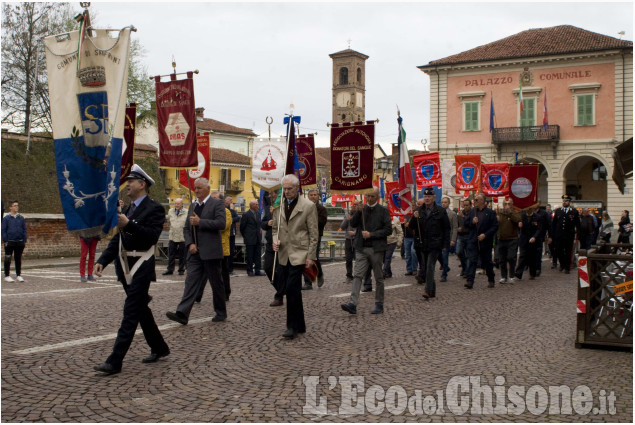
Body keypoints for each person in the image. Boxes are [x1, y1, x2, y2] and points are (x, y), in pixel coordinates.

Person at [93, 165, 170, 375]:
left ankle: (114, 361)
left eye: (131, 181)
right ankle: (159, 347)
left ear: (142, 184)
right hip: (125, 268)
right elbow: (119, 239)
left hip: (142, 267)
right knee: (141, 311)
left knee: (130, 312)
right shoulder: (127, 209)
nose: (127, 185)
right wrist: (103, 260)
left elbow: (151, 237)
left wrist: (130, 224)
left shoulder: (154, 208)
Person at [165, 177, 227, 325]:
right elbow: (187, 228)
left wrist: (201, 222)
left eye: (199, 188)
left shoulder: (217, 203)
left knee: (216, 283)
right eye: (195, 188)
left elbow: (221, 224)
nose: (196, 191)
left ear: (207, 188)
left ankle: (221, 311)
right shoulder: (193, 206)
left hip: (211, 252)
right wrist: (190, 243)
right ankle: (182, 313)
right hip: (194, 253)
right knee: (190, 282)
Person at [272, 174, 318, 339]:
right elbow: (275, 229)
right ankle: (300, 324)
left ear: (297, 188)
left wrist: (311, 257)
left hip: (300, 252)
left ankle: (291, 327)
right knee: (294, 291)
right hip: (284, 252)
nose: (286, 192)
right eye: (284, 189)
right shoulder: (278, 206)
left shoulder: (308, 206)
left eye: (289, 189)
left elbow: (314, 233)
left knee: (291, 288)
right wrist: (274, 241)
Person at [341, 187, 391, 314]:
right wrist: (358, 211)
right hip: (361, 248)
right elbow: (352, 223)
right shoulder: (362, 209)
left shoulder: (383, 211)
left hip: (376, 248)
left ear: (377, 197)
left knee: (378, 276)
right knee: (357, 275)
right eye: (367, 196)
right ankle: (353, 303)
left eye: (372, 196)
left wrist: (372, 234)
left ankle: (379, 303)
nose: (369, 199)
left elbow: (388, 230)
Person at [408, 187, 450, 298]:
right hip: (422, 244)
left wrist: (445, 244)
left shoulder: (440, 211)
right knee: (425, 267)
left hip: (435, 243)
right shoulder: (419, 210)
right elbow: (411, 227)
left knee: (430, 266)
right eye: (425, 196)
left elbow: (446, 229)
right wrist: (414, 217)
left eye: (429, 196)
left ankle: (427, 290)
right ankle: (432, 291)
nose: (427, 198)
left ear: (434, 198)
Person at [195, 192, 233, 302]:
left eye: (215, 198)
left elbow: (223, 226)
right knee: (204, 273)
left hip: (221, 247)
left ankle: (226, 293)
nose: (212, 200)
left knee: (222, 273)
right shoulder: (207, 211)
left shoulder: (226, 212)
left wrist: (205, 223)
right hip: (208, 245)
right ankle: (198, 295)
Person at [463, 194, 498, 289]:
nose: (474, 201)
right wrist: (472, 222)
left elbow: (495, 227)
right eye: (474, 200)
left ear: (482, 201)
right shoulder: (472, 212)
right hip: (473, 240)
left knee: (487, 261)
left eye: (477, 199)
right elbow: (465, 224)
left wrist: (485, 235)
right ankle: (470, 281)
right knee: (472, 260)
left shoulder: (490, 213)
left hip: (485, 241)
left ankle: (491, 279)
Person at [303, 188, 328, 289]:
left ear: (318, 196)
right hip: (304, 236)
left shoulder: (322, 209)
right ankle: (307, 282)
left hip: (316, 236)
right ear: (308, 196)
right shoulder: (303, 208)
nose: (313, 196)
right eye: (311, 195)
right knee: (304, 258)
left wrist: (311, 219)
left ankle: (319, 274)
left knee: (314, 257)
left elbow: (322, 223)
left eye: (315, 195)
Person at [263, 191, 284, 306]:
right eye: (270, 194)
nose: (271, 196)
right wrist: (267, 223)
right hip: (270, 242)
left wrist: (276, 215)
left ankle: (279, 295)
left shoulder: (284, 206)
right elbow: (262, 223)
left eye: (274, 193)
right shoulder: (267, 208)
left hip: (282, 242)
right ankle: (282, 289)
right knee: (267, 267)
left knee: (281, 270)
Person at [549, 195, 580, 274]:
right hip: (559, 235)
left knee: (568, 251)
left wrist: (578, 235)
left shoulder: (574, 211)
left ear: (569, 202)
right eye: (563, 201)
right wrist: (551, 235)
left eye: (566, 201)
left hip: (569, 235)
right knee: (559, 250)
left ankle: (567, 267)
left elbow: (578, 224)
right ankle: (562, 264)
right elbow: (554, 224)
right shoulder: (558, 211)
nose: (564, 202)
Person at [515, 206, 544, 280]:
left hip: (533, 239)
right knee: (522, 256)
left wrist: (534, 237)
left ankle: (532, 273)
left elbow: (539, 229)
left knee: (532, 257)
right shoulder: (522, 216)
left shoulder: (537, 217)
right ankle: (518, 273)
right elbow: (518, 228)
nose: (527, 210)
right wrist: (519, 226)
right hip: (524, 239)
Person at [496, 199, 520, 284]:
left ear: (512, 204)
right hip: (502, 239)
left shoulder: (515, 212)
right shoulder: (500, 213)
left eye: (509, 203)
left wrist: (510, 212)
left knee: (511, 257)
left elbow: (518, 220)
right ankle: (503, 276)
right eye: (505, 204)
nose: (506, 205)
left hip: (512, 239)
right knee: (502, 259)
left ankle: (511, 276)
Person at [2, 200, 27, 282]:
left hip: (19, 241)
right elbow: (3, 230)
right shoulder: (6, 218)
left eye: (17, 205)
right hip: (10, 241)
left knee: (18, 258)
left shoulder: (21, 218)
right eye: (15, 205)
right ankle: (7, 275)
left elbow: (24, 229)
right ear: (10, 207)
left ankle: (18, 275)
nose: (16, 207)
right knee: (8, 258)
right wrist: (5, 240)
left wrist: (24, 239)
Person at [163, 198, 188, 276]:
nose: (176, 205)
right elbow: (168, 220)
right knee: (171, 254)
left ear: (182, 204)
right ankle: (170, 269)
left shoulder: (186, 212)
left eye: (178, 204)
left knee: (182, 255)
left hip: (182, 236)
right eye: (175, 203)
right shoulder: (171, 211)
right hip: (173, 235)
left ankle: (181, 269)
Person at [240, 200, 264, 277]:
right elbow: (242, 227)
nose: (257, 205)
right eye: (256, 204)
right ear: (252, 205)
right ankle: (249, 270)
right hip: (249, 238)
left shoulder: (258, 214)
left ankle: (257, 270)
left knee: (257, 255)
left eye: (257, 204)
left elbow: (259, 225)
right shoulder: (246, 214)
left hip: (257, 238)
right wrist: (246, 236)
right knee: (250, 255)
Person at [438, 196, 457, 282]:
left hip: (447, 238)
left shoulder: (452, 214)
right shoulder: (438, 212)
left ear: (448, 203)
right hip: (439, 238)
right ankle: (446, 267)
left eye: (445, 202)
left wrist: (453, 239)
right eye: (442, 202)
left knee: (445, 256)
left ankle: (444, 274)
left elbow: (454, 228)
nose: (443, 203)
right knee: (439, 255)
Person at [340, 203, 358, 281]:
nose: (353, 206)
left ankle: (358, 274)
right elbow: (342, 227)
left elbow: (363, 227)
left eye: (355, 205)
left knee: (358, 258)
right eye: (352, 205)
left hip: (357, 239)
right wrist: (346, 220)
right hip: (348, 239)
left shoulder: (361, 215)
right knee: (348, 259)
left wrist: (355, 233)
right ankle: (349, 275)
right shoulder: (347, 214)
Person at [455, 198, 472, 279]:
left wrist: (464, 217)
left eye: (467, 205)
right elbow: (457, 224)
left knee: (468, 254)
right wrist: (458, 228)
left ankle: (467, 271)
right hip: (461, 236)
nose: (465, 207)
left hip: (469, 235)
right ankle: (464, 267)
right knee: (459, 252)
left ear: (470, 205)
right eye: (464, 205)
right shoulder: (460, 214)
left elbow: (471, 224)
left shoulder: (472, 213)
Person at [225, 196, 240, 276]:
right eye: (230, 200)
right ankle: (226, 269)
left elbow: (237, 218)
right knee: (226, 253)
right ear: (225, 201)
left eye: (232, 200)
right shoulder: (225, 208)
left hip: (232, 233)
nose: (232, 201)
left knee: (231, 252)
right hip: (226, 233)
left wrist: (233, 218)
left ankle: (231, 269)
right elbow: (228, 218)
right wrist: (231, 210)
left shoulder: (233, 210)